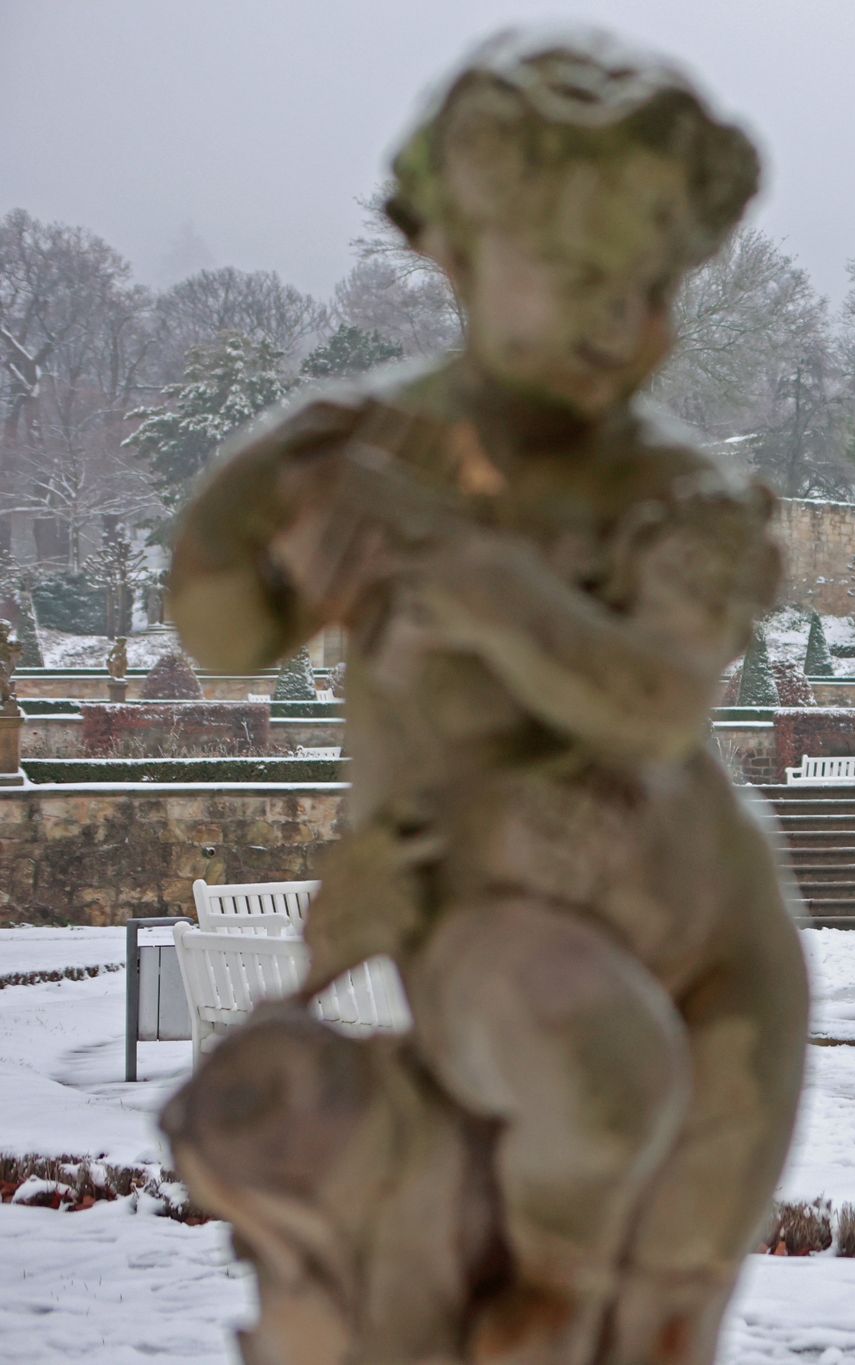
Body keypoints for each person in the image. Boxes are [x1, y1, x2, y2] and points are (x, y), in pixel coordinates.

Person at [162, 29, 808, 1363]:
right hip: (489, 909)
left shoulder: (670, 487)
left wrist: (466, 568)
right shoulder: (375, 456)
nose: (620, 321)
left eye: (653, 286)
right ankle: (540, 1302)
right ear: (453, 250)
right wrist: (268, 480)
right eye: (579, 275)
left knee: (682, 1279)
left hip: (721, 921)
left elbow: (653, 708)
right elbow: (221, 626)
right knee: (594, 1096)